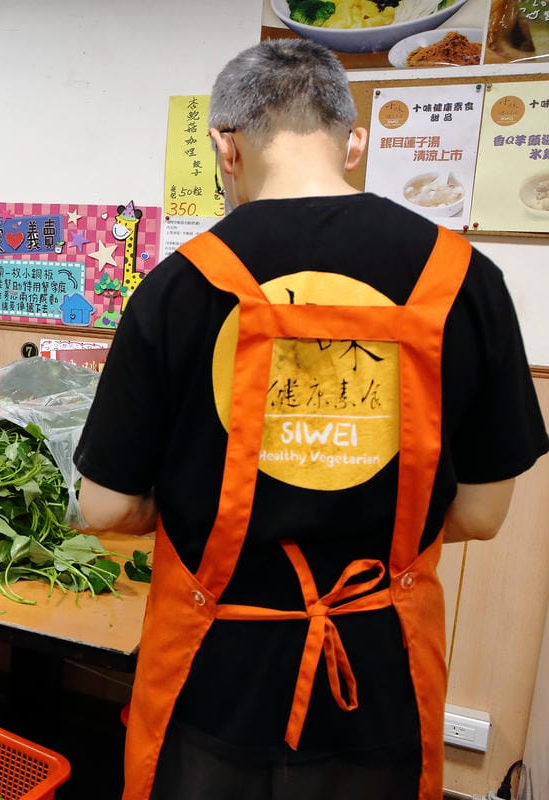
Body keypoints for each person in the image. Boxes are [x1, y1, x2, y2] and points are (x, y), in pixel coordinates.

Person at [73, 40, 548, 800]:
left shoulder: (179, 286)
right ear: (355, 142)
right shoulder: (463, 280)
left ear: (225, 147)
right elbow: (484, 513)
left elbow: (105, 505)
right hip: (380, 677)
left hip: (215, 678)